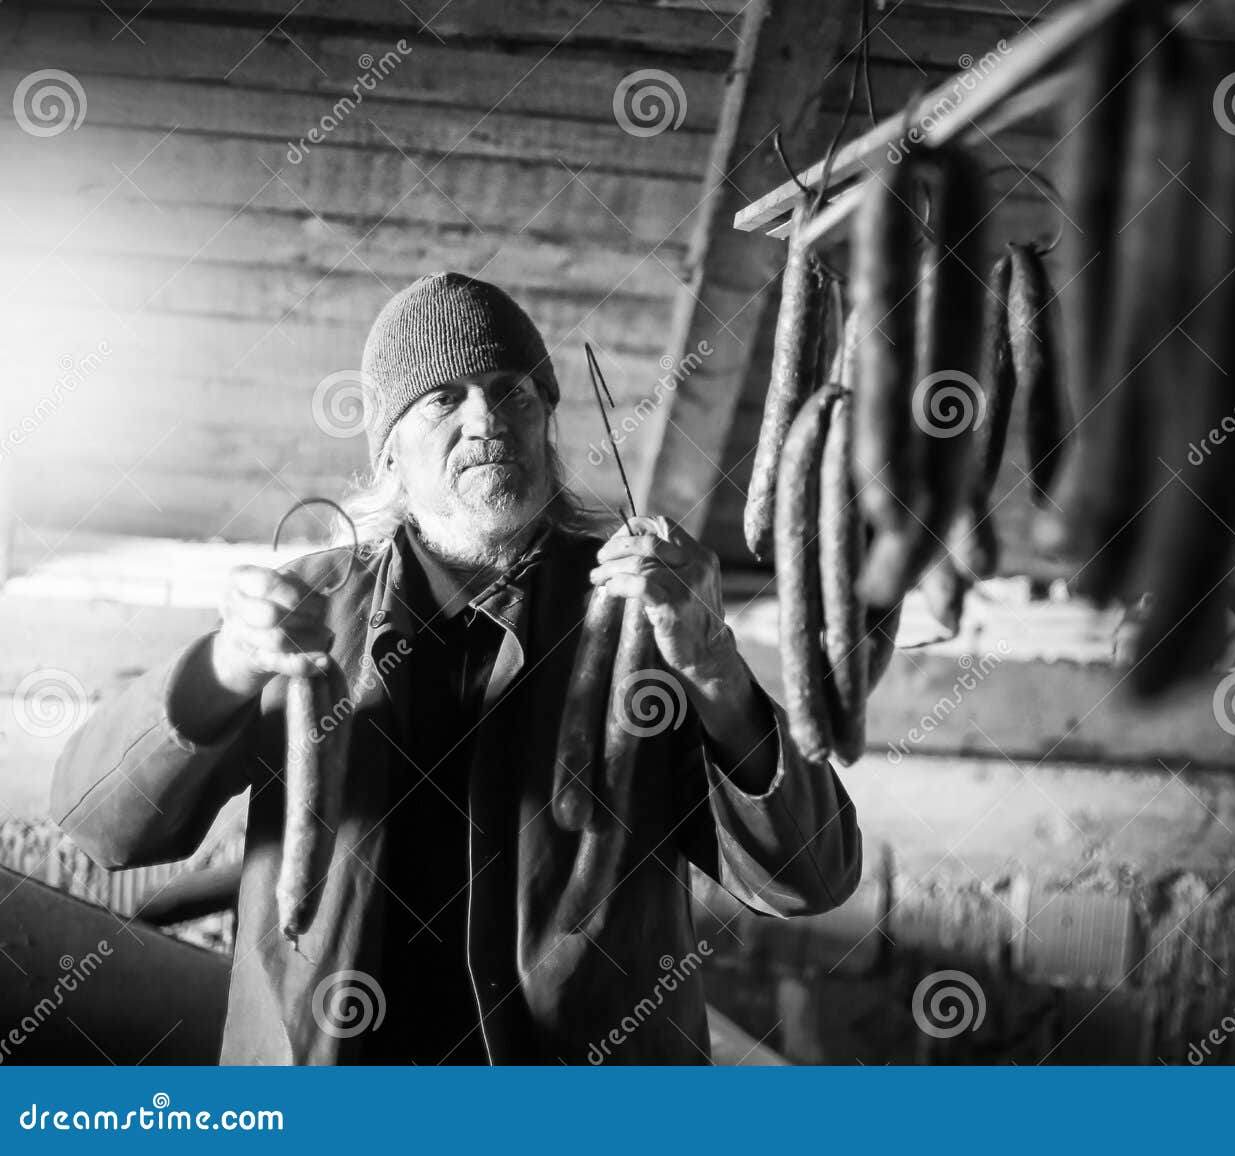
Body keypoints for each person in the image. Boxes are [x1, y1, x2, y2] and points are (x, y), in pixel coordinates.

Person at [50, 271, 862, 1064]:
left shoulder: (645, 613)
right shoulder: (307, 611)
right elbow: (100, 825)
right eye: (443, 399)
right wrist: (224, 666)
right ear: (390, 454)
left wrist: (715, 669)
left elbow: (812, 876)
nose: (488, 419)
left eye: (514, 393)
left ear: (547, 424)